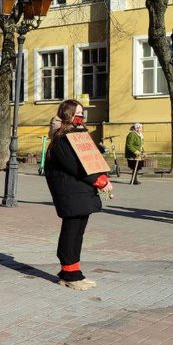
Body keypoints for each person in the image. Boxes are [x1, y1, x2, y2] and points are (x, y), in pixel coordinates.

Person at [44, 100, 111, 291]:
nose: (81, 116)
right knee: (71, 233)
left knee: (78, 233)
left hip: (81, 192)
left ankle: (73, 272)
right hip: (70, 192)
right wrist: (99, 181)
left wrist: (103, 176)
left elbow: (92, 160)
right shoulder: (61, 139)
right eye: (77, 113)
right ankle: (70, 275)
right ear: (68, 115)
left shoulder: (78, 135)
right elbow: (76, 167)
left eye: (82, 113)